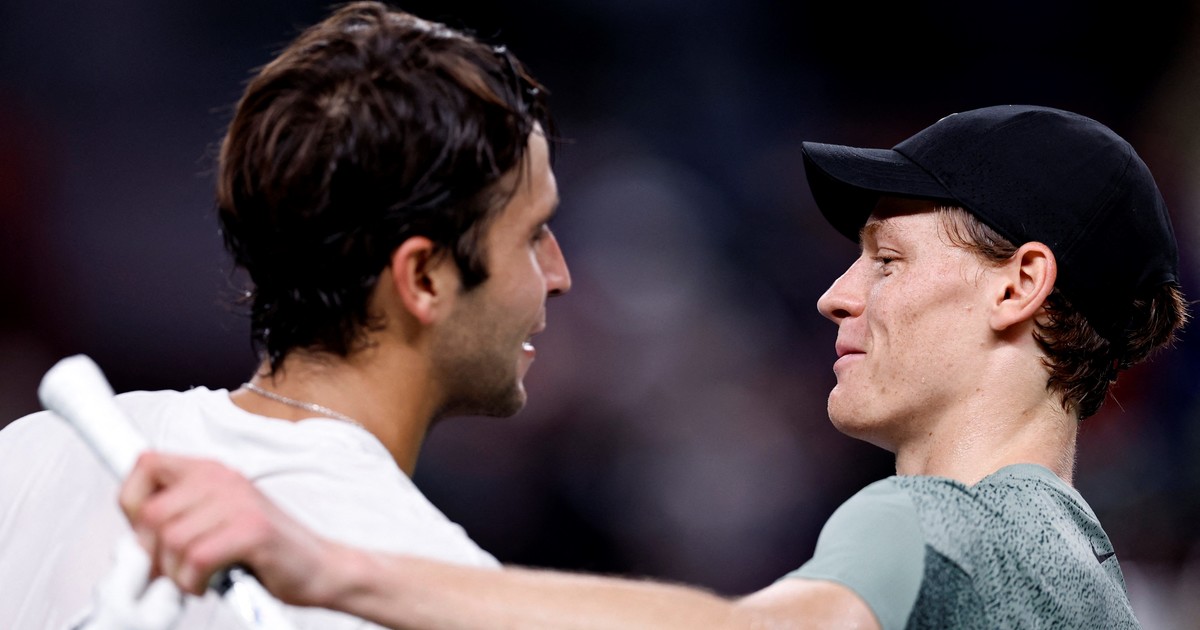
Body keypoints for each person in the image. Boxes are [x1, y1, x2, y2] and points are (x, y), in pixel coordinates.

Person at [121, 103, 1187, 629]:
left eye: (887, 260)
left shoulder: (932, 527)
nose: (837, 294)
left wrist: (323, 566)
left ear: (1020, 284)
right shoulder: (1092, 581)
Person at [0, 1, 570, 628]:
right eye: (533, 234)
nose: (560, 277)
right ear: (423, 277)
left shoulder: (33, 451)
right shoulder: (438, 596)